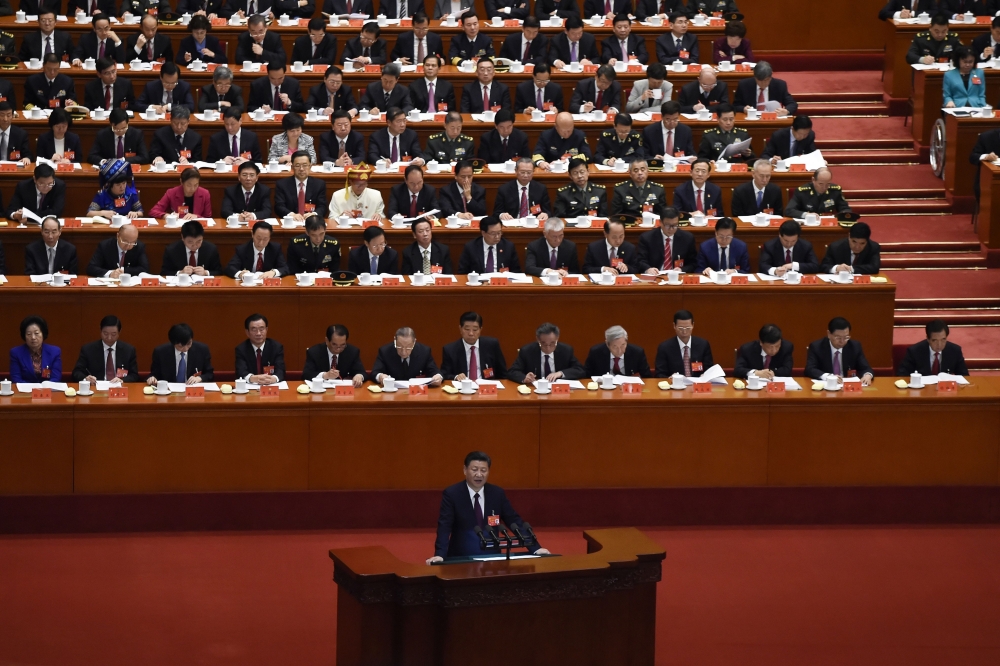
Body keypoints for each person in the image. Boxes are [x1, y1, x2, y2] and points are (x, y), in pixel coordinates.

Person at [427, 451, 549, 563]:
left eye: (483, 470)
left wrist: (536, 548)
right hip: (461, 557)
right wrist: (440, 554)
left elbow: (514, 521)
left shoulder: (497, 493)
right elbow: (444, 526)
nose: (479, 474)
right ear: (465, 470)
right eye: (474, 469)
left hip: (492, 557)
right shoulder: (452, 494)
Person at [804, 316, 874, 386]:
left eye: (846, 337)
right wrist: (829, 376)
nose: (842, 341)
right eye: (838, 337)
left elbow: (865, 368)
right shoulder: (817, 347)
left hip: (848, 389)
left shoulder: (854, 346)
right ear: (829, 334)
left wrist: (867, 375)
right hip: (826, 388)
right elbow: (810, 369)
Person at [508, 322, 586, 383]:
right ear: (538, 339)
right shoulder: (527, 351)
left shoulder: (566, 350)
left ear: (557, 338)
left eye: (552, 343)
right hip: (535, 391)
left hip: (558, 391)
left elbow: (580, 370)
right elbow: (512, 371)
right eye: (543, 344)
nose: (548, 348)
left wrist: (561, 373)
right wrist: (524, 378)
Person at [70, 315, 140, 384]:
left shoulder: (128, 350)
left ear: (119, 332)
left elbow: (134, 375)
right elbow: (76, 372)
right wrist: (86, 378)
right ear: (100, 330)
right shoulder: (88, 350)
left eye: (113, 334)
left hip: (119, 389)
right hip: (96, 389)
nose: (109, 338)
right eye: (105, 333)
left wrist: (123, 380)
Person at [440, 312, 506, 381]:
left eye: (475, 330)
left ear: (480, 329)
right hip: (462, 388)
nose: (471, 333)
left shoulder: (492, 345)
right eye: (467, 329)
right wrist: (456, 377)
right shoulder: (450, 350)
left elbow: (503, 373)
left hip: (487, 388)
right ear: (460, 329)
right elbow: (444, 374)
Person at [371, 326, 443, 385]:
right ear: (394, 340)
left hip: (417, 394)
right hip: (392, 394)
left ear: (414, 342)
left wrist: (438, 377)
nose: (404, 352)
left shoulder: (424, 351)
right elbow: (375, 373)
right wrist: (380, 376)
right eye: (399, 347)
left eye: (408, 347)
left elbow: (434, 371)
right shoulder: (385, 351)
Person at [897, 319, 969, 376]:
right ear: (928, 339)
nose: (939, 344)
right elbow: (902, 375)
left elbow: (964, 376)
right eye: (935, 340)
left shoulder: (955, 351)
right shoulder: (914, 351)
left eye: (943, 339)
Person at [302, 324, 367, 386]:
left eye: (342, 345)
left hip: (343, 392)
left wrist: (359, 376)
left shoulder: (352, 352)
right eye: (334, 344)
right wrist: (325, 375)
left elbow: (362, 372)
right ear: (327, 341)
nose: (338, 349)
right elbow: (306, 375)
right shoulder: (314, 352)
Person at [654, 310, 714, 377]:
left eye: (688, 328)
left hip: (697, 385)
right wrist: (669, 379)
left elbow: (710, 370)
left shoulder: (703, 345)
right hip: (675, 386)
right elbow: (660, 374)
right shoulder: (664, 347)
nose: (684, 332)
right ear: (674, 326)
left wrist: (706, 376)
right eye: (681, 328)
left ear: (693, 325)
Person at [638, 208, 697, 274]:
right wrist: (648, 269)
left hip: (677, 277)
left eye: (674, 225)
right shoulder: (647, 238)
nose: (671, 229)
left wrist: (682, 270)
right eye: (668, 225)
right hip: (655, 276)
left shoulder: (687, 238)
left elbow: (693, 263)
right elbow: (640, 261)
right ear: (660, 222)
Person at [226, 221, 290, 279]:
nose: (261, 243)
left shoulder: (275, 248)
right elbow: (230, 268)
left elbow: (285, 268)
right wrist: (240, 274)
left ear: (270, 238)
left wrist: (273, 272)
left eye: (265, 239)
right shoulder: (242, 249)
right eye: (258, 238)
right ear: (252, 234)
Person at [456, 216, 521, 273]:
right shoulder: (471, 247)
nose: (497, 237)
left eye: (499, 233)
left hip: (501, 284)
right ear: (483, 233)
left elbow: (516, 272)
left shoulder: (508, 246)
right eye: (493, 234)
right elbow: (462, 272)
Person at [275, 151, 328, 220]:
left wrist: (314, 214)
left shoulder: (319, 184)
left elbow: (323, 206)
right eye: (297, 165)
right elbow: (279, 206)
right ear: (292, 167)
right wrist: (291, 215)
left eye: (305, 165)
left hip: (312, 223)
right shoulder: (282, 184)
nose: (301, 169)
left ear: (310, 166)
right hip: (290, 223)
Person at [733, 61, 797, 117]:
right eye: (759, 80)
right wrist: (743, 109)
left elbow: (792, 104)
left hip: (773, 120)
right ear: (755, 77)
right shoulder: (744, 85)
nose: (763, 83)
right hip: (752, 120)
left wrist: (786, 111)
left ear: (771, 76)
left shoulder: (779, 85)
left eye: (766, 80)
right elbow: (735, 106)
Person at [235, 313, 285, 384]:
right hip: (251, 389)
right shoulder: (241, 349)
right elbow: (241, 372)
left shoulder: (276, 347)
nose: (258, 333)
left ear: (266, 330)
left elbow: (281, 371)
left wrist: (273, 378)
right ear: (247, 332)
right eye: (254, 329)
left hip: (271, 387)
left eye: (261, 329)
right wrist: (253, 378)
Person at [9, 315, 61, 383]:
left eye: (36, 333)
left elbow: (56, 378)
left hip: (48, 391)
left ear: (43, 334)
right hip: (25, 392)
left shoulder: (55, 352)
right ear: (24, 336)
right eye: (29, 334)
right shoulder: (16, 353)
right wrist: (33, 389)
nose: (33, 337)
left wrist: (43, 389)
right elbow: (16, 379)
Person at [584, 325, 651, 377]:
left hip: (629, 390)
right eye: (615, 347)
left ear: (626, 341)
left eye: (623, 345)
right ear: (607, 344)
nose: (619, 351)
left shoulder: (637, 353)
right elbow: (586, 375)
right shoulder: (596, 353)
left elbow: (647, 377)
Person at [785, 167, 852, 219]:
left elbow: (845, 209)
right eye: (821, 184)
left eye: (828, 184)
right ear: (813, 180)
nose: (824, 187)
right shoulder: (802, 192)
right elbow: (789, 210)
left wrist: (843, 214)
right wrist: (806, 215)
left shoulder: (835, 191)